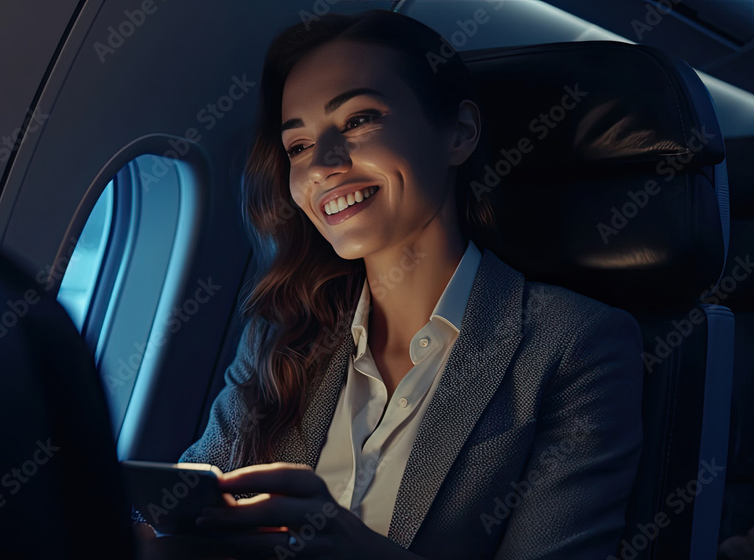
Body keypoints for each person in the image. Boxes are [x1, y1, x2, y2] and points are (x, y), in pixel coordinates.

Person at [146, 10, 644, 560]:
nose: (324, 165)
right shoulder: (280, 338)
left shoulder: (576, 345)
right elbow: (184, 504)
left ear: (459, 133)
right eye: (298, 147)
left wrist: (352, 549)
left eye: (359, 120)